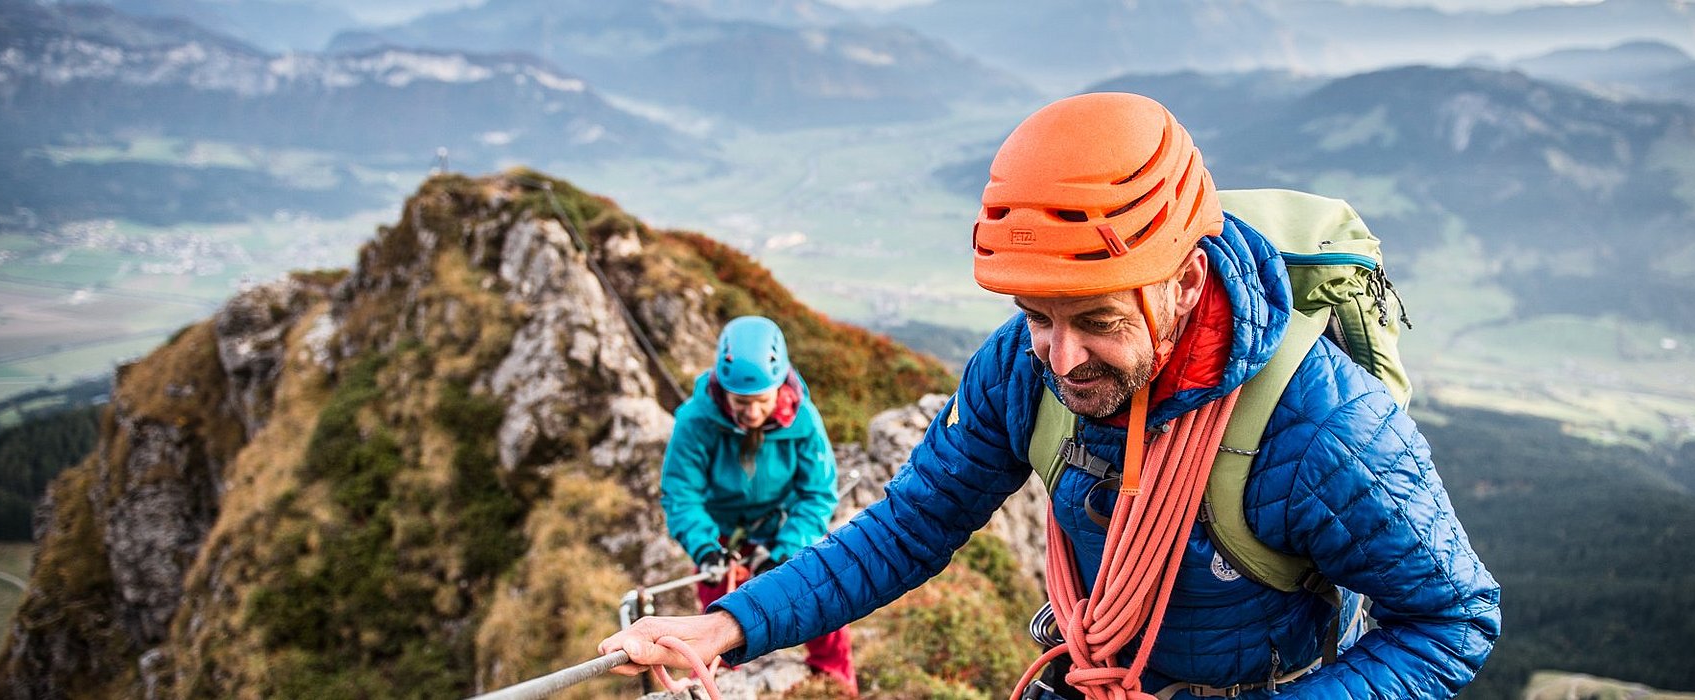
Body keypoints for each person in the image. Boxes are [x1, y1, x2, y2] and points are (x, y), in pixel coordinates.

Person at [605, 93, 1500, 698]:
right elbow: (910, 526)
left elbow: (1453, 617)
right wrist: (725, 629)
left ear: (1186, 281)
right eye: (1037, 314)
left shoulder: (1323, 428)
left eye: (1099, 321)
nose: (1063, 360)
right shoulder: (1018, 370)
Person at [655, 315, 857, 694]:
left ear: (779, 387)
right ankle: (723, 685)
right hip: (722, 538)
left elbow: (818, 492)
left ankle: (834, 680)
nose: (750, 413)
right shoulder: (696, 421)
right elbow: (681, 493)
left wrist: (784, 549)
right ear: (722, 390)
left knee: (823, 594)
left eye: (760, 401)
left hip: (784, 527)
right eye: (740, 402)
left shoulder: (804, 421)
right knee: (718, 619)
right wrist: (705, 548)